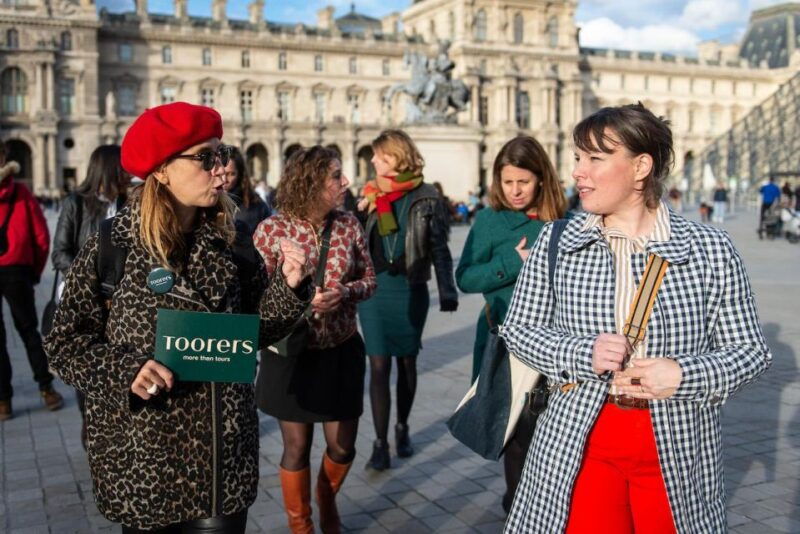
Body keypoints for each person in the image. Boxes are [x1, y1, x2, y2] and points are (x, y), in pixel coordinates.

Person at [501, 103, 771, 533]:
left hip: (678, 445)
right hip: (582, 440)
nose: (577, 172)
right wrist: (579, 350)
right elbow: (517, 330)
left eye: (595, 158)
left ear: (641, 166)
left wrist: (684, 374)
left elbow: (751, 353)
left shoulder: (710, 248)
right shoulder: (556, 240)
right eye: (577, 158)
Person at [44, 102, 311, 532]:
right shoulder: (113, 245)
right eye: (205, 157)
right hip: (144, 457)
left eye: (221, 154)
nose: (221, 168)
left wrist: (290, 288)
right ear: (162, 169)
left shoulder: (234, 239)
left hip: (219, 461)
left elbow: (254, 332)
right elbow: (63, 343)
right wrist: (125, 369)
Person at [253, 146, 376, 534]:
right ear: (310, 184)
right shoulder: (271, 230)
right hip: (292, 353)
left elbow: (370, 281)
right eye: (335, 177)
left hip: (340, 349)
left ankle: (327, 498)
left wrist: (344, 292)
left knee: (343, 446)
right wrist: (299, 300)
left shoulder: (349, 225)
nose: (346, 182)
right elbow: (258, 296)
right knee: (296, 448)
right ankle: (301, 524)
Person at [456, 135, 566, 513]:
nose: (516, 191)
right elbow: (465, 278)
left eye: (524, 182)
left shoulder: (565, 221)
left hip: (555, 344)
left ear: (541, 179)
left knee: (546, 434)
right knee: (515, 432)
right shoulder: (488, 220)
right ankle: (517, 506)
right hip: (503, 343)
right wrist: (513, 264)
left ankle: (533, 502)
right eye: (508, 182)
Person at [357, 129, 458, 470]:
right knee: (379, 364)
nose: (372, 160)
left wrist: (447, 289)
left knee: (407, 362)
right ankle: (380, 442)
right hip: (374, 291)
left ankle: (402, 427)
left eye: (379, 155)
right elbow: (355, 244)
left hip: (410, 289)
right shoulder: (369, 195)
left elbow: (440, 249)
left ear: (397, 157)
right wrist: (358, 213)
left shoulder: (428, 197)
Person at [50, 144, 130, 445]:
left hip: (120, 297)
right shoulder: (76, 203)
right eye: (122, 167)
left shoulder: (127, 202)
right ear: (109, 169)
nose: (128, 172)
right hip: (85, 297)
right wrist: (88, 279)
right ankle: (89, 417)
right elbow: (59, 252)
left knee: (118, 356)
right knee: (89, 358)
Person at [0, 140, 62, 421]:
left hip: (16, 270)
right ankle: (47, 389)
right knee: (28, 331)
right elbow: (41, 236)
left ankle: (4, 401)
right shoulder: (21, 192)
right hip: (17, 270)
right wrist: (35, 270)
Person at [222, 147, 271, 235]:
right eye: (222, 173)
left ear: (240, 175)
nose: (224, 179)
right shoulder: (205, 204)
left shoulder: (256, 206)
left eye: (231, 174)